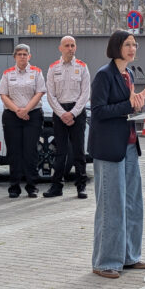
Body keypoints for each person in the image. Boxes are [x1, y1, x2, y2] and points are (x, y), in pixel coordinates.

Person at [89, 30, 145, 279]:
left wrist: (137, 105)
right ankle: (104, 262)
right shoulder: (104, 75)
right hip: (109, 148)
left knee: (132, 204)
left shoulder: (129, 74)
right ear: (116, 47)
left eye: (135, 44)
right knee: (111, 206)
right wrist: (128, 105)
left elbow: (127, 108)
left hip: (129, 145)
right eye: (127, 44)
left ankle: (129, 257)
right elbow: (98, 111)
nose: (132, 48)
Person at [43, 35, 90, 199]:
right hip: (59, 112)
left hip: (77, 111)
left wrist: (73, 113)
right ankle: (56, 186)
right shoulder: (53, 68)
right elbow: (50, 95)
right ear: (60, 48)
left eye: (72, 45)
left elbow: (85, 93)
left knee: (78, 152)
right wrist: (62, 113)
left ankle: (81, 187)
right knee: (60, 152)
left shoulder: (82, 67)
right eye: (67, 45)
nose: (70, 48)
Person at [0, 44, 47, 198]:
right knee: (14, 152)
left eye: (25, 54)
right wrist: (18, 111)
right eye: (19, 54)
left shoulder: (37, 72)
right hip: (12, 116)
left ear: (29, 56)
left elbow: (39, 92)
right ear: (14, 57)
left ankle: (32, 186)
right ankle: (14, 187)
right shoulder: (7, 73)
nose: (22, 57)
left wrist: (26, 110)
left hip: (32, 115)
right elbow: (3, 95)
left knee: (30, 151)